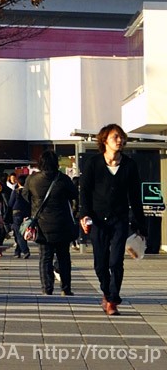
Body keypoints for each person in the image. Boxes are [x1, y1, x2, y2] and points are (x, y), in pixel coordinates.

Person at [80, 123, 145, 316]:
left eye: (121, 137)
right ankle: (107, 293)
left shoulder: (129, 165)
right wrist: (84, 215)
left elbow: (135, 196)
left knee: (116, 261)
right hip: (98, 220)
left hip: (119, 219)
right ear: (104, 140)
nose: (120, 140)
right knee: (100, 263)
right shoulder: (93, 163)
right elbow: (84, 191)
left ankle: (112, 299)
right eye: (115, 137)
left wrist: (140, 224)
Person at [26, 149, 79, 297]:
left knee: (45, 258)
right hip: (62, 224)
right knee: (64, 257)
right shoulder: (63, 179)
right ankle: (66, 288)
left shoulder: (32, 180)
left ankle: (47, 288)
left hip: (42, 226)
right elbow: (74, 194)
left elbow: (25, 197)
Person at [6, 172, 32, 259]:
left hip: (16, 213)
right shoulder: (29, 192)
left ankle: (25, 250)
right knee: (23, 231)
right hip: (27, 214)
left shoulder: (15, 192)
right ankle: (17, 251)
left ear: (18, 183)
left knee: (18, 233)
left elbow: (10, 203)